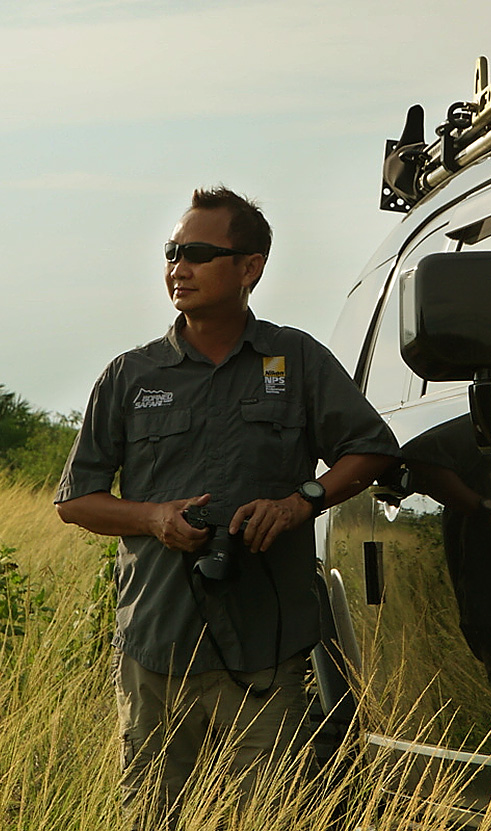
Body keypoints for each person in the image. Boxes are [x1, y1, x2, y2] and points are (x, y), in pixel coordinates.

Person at [55, 186, 398, 827]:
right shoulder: (131, 376)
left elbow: (372, 450)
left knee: (264, 815)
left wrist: (300, 503)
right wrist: (155, 519)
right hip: (157, 645)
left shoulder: (295, 360)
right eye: (171, 253)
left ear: (250, 267)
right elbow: (76, 500)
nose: (178, 268)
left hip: (266, 647)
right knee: (151, 816)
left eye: (197, 253)